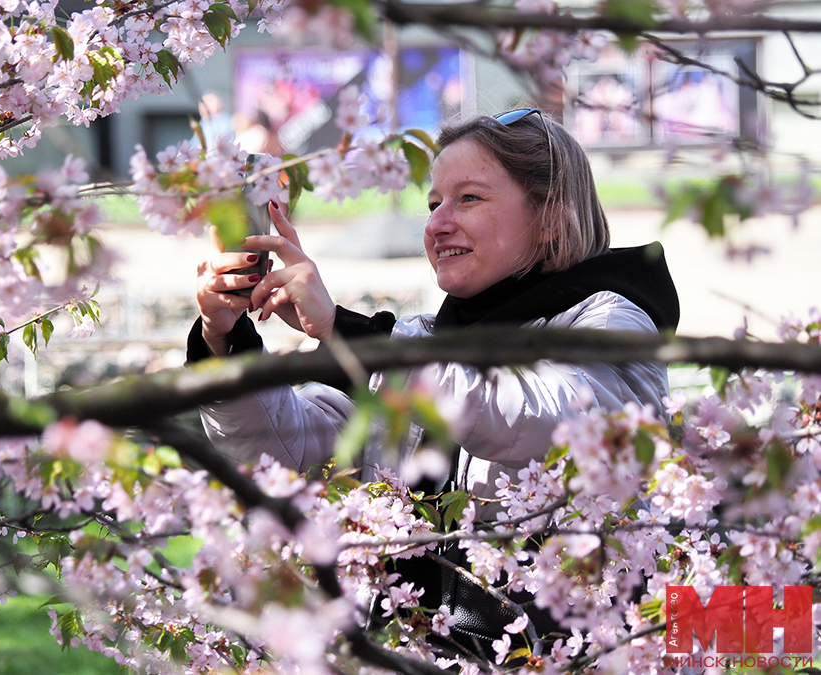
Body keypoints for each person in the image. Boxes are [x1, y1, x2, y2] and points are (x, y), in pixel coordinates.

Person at [186, 108, 679, 655]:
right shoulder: (422, 340)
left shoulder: (611, 323)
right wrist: (221, 338)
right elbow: (289, 451)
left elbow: (543, 419)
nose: (438, 223)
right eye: (433, 203)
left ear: (551, 217)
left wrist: (349, 334)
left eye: (468, 198)